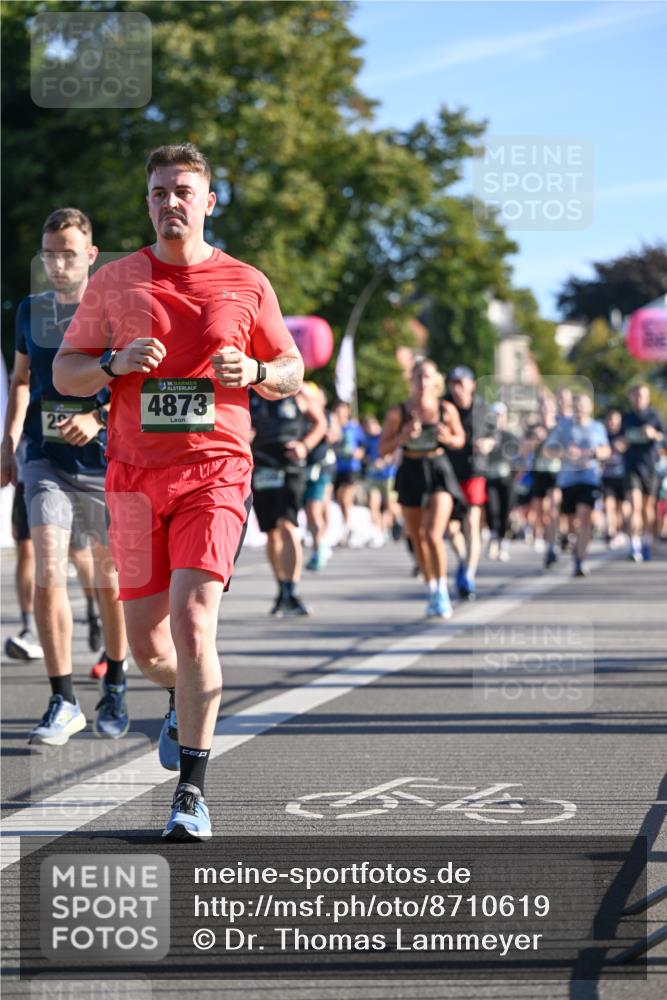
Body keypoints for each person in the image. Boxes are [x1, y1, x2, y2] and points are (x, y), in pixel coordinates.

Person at [53, 143, 304, 840]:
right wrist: (110, 362)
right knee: (148, 648)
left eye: (184, 191)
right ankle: (179, 701)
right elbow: (66, 373)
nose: (171, 202)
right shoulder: (115, 281)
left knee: (194, 621)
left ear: (208, 202)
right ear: (148, 202)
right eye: (160, 191)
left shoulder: (246, 282)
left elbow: (292, 369)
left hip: (215, 471)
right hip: (133, 479)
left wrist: (254, 367)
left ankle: (190, 791)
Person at [1, 207, 128, 744]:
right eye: (49, 254)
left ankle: (116, 682)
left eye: (68, 254)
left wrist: (96, 416)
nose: (57, 264)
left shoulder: (116, 312)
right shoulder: (30, 311)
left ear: (91, 256)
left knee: (107, 579)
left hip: (104, 463)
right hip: (43, 460)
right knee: (50, 563)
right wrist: (9, 440)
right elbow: (23, 379)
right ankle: (63, 698)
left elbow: (133, 382)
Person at [380, 358, 465, 619]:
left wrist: (448, 438)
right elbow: (383, 448)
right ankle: (431, 588)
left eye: (427, 376)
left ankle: (442, 590)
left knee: (432, 534)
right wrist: (403, 437)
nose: (422, 382)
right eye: (418, 376)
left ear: (436, 380)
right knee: (416, 535)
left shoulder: (445, 409)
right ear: (411, 380)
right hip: (411, 471)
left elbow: (460, 439)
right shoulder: (399, 412)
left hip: (438, 470)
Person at [250, 383, 326, 615]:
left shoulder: (298, 392)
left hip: (290, 466)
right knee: (271, 531)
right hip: (261, 467)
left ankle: (292, 588)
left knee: (287, 524)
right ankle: (282, 587)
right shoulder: (248, 392)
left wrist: (304, 446)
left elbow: (321, 423)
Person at [543, 392, 610, 576]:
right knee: (572, 522)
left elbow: (606, 451)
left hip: (589, 479)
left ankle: (581, 560)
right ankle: (574, 545)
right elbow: (547, 450)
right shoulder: (564, 427)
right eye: (576, 404)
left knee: (585, 515)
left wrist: (594, 453)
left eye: (583, 404)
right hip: (567, 480)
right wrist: (565, 452)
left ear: (590, 407)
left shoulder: (597, 427)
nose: (579, 408)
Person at [444, 366, 495, 600]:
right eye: (453, 383)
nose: (457, 388)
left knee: (471, 522)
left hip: (474, 469)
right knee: (450, 527)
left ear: (472, 385)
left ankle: (469, 576)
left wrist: (488, 443)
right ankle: (463, 559)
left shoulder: (483, 407)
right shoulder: (443, 405)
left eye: (462, 383)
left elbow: (494, 434)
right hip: (447, 470)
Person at [617, 384, 664, 562]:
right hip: (631, 466)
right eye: (635, 396)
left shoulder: (654, 415)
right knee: (635, 506)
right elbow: (618, 440)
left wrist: (654, 434)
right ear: (631, 398)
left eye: (642, 396)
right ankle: (634, 545)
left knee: (647, 509)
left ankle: (646, 540)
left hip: (650, 467)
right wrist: (621, 443)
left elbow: (664, 438)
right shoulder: (626, 418)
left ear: (648, 397)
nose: (638, 399)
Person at [303, 384, 339, 572]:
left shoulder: (326, 416)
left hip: (323, 467)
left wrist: (328, 433)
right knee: (310, 511)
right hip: (304, 468)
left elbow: (336, 435)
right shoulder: (301, 413)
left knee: (315, 508)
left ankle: (320, 548)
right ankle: (320, 543)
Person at [483, 402, 519, 562]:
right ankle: (493, 538)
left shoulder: (510, 437)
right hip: (490, 478)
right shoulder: (486, 436)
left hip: (507, 479)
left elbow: (518, 461)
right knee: (492, 510)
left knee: (505, 511)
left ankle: (503, 544)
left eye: (501, 415)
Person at [361, 412, 399, 547]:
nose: (367, 430)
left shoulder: (385, 435)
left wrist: (384, 460)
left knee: (390, 507)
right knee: (373, 505)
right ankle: (379, 533)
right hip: (373, 477)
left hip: (388, 476)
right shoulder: (367, 440)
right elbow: (365, 456)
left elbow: (395, 453)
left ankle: (394, 522)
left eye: (368, 426)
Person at [333, 400, 366, 546]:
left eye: (343, 410)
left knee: (345, 496)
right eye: (338, 410)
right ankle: (347, 527)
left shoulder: (354, 427)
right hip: (337, 467)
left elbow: (364, 444)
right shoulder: (333, 427)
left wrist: (360, 452)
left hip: (352, 467)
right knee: (340, 499)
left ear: (347, 411)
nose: (340, 413)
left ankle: (348, 528)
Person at [601, 409, 627, 548]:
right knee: (608, 505)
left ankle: (620, 531)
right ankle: (611, 532)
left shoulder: (624, 434)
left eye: (615, 419)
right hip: (607, 475)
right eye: (610, 419)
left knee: (621, 508)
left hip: (622, 476)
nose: (612, 422)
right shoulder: (602, 435)